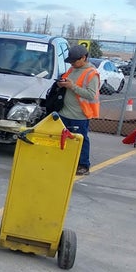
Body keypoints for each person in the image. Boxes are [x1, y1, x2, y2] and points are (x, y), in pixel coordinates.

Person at [57, 45, 100, 176]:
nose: (72, 63)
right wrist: (61, 83)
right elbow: (67, 81)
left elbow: (91, 95)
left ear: (84, 58)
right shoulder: (72, 69)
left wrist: (72, 86)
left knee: (80, 140)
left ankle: (83, 165)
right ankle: (66, 162)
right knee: (64, 139)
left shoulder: (92, 73)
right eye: (70, 61)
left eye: (74, 61)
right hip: (64, 112)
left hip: (79, 115)